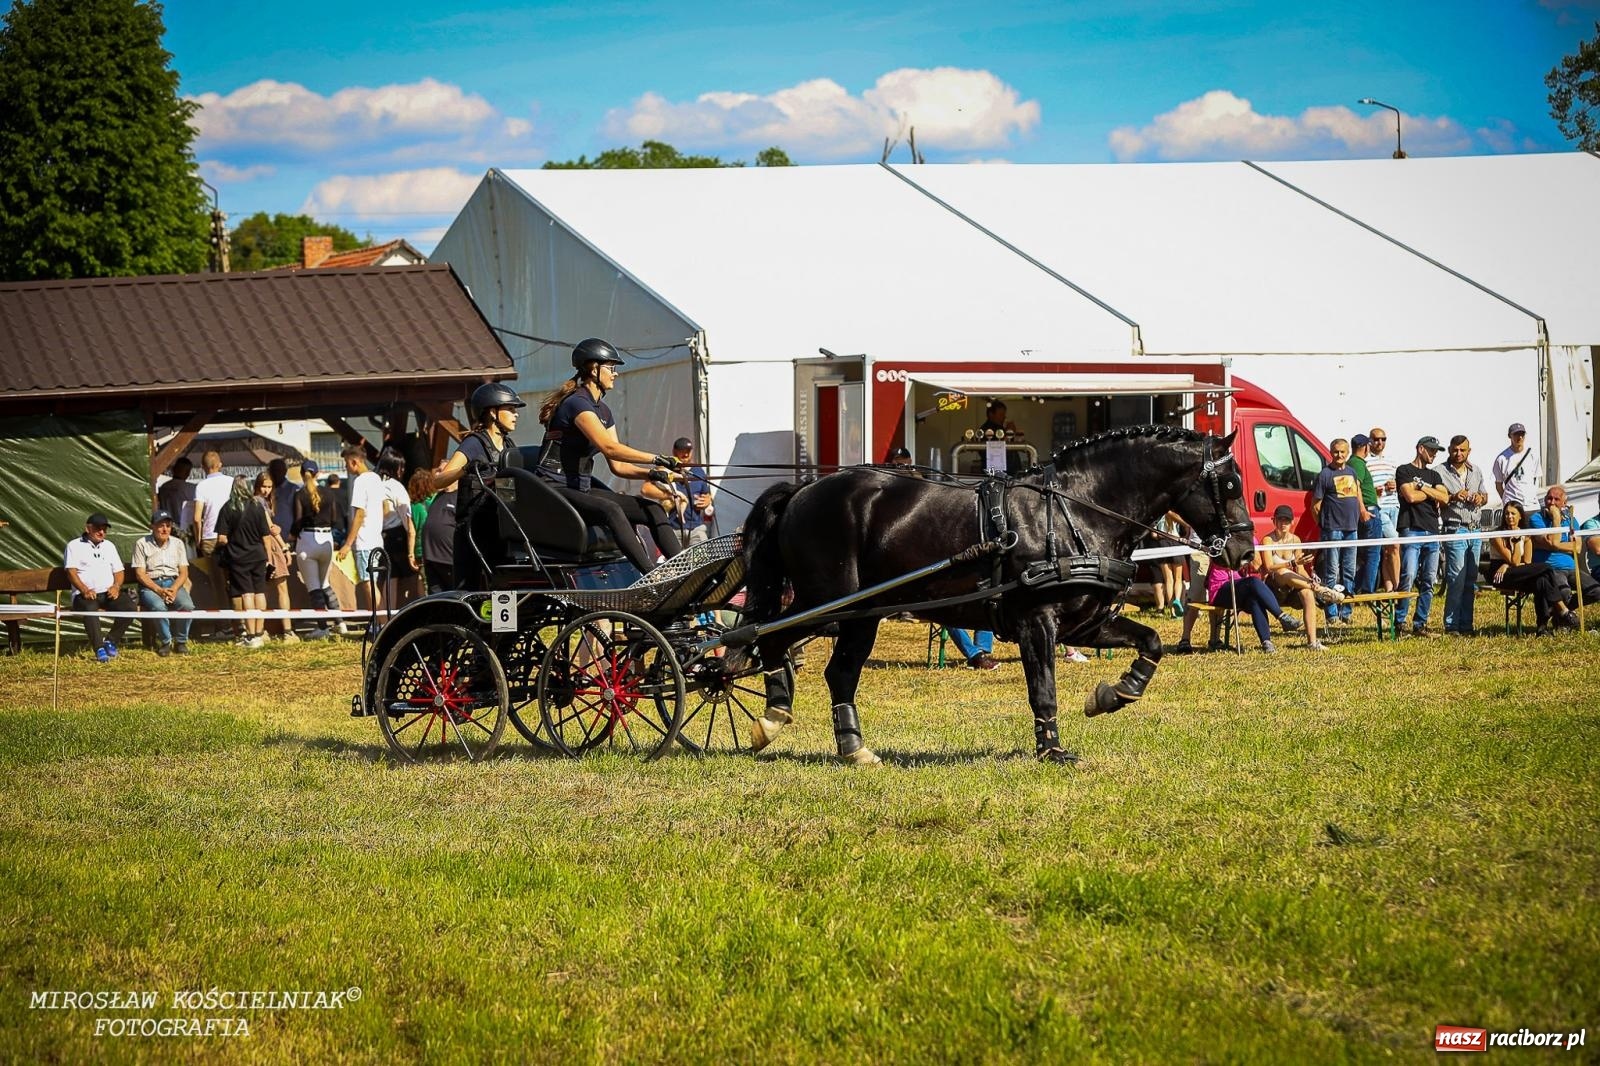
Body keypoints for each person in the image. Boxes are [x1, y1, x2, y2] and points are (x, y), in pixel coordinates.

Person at [527, 339, 685, 575]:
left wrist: (653, 474)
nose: (615, 373)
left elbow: (618, 466)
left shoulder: (603, 411)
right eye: (611, 368)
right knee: (611, 509)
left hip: (580, 489)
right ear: (594, 369)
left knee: (654, 509)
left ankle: (685, 572)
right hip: (554, 489)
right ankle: (652, 576)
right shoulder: (576, 403)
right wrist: (657, 459)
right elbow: (610, 447)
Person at [431, 383, 523, 590]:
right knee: (468, 591)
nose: (516, 414)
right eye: (510, 409)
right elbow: (439, 481)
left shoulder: (509, 446)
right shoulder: (474, 443)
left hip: (501, 529)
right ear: (492, 412)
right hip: (473, 531)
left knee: (504, 590)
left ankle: (502, 615)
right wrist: (466, 469)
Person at [1487, 502, 1581, 633]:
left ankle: (1542, 627)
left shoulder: (1527, 535)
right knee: (1546, 568)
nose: (1509, 517)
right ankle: (1563, 610)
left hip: (1518, 570)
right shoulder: (1497, 535)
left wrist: (1507, 564)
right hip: (1500, 574)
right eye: (1507, 514)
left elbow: (1527, 562)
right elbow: (1515, 561)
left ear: (1520, 516)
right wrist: (1516, 539)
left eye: (1513, 513)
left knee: (1541, 580)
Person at [1258, 504, 1339, 651]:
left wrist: (1310, 581)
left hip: (1292, 588)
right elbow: (1269, 567)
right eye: (1280, 520)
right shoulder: (1268, 540)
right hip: (1273, 589)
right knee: (1282, 571)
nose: (1283, 524)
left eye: (1287, 520)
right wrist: (1292, 563)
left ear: (1292, 522)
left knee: (1307, 593)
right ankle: (1322, 591)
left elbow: (1300, 569)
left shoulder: (1296, 540)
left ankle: (1312, 642)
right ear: (1274, 521)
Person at [1395, 435, 1449, 636]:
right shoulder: (1404, 470)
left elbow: (1444, 498)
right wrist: (1430, 493)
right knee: (1408, 576)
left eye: (1436, 450)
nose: (1434, 454)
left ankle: (1420, 623)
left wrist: (1422, 487)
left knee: (1429, 579)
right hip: (1411, 529)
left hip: (1432, 530)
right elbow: (1409, 496)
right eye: (1431, 450)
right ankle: (1400, 622)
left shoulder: (1434, 475)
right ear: (1420, 449)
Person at [1435, 435, 1489, 636]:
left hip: (1475, 528)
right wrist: (1452, 497)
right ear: (1449, 450)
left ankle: (1467, 625)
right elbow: (1437, 500)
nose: (1458, 453)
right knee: (1456, 579)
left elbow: (1485, 495)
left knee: (1470, 580)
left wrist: (1480, 498)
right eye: (1455, 450)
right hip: (1455, 528)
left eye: (1462, 450)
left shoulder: (1476, 471)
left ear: (1469, 451)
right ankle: (1452, 625)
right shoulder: (1439, 472)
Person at [63, 512, 130, 662]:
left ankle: (111, 641)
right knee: (90, 608)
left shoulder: (109, 546)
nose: (102, 532)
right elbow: (71, 572)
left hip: (107, 593)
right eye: (98, 528)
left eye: (104, 529)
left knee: (129, 606)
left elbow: (119, 571)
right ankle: (99, 648)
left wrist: (116, 586)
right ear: (88, 528)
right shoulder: (73, 546)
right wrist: (84, 590)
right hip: (84, 595)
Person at [1310, 438, 1363, 630]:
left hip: (1351, 530)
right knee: (1332, 572)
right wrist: (1323, 525)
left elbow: (1357, 493)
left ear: (1348, 453)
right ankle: (1331, 614)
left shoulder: (1352, 472)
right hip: (1332, 530)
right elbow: (1315, 505)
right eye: (1335, 452)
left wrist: (1362, 512)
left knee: (1349, 571)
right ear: (1331, 453)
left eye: (1342, 452)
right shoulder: (1325, 474)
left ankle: (1346, 612)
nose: (1339, 455)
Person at [1207, 553, 1302, 654]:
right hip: (1220, 590)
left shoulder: (1247, 546)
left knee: (1254, 600)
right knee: (1253, 581)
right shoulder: (1222, 545)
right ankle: (1282, 616)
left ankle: (1266, 642)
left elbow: (1256, 565)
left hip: (1239, 588)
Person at [216, 475, 270, 648]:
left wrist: (227, 543)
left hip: (239, 557)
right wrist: (268, 557)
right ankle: (260, 633)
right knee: (260, 592)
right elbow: (266, 536)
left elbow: (222, 538)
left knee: (247, 594)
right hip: (258, 555)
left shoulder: (228, 507)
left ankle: (251, 635)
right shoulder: (257, 506)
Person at [131, 509, 194, 655]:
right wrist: (159, 590)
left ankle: (181, 641)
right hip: (150, 585)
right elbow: (140, 574)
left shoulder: (178, 543)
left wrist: (174, 589)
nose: (165, 529)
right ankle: (166, 642)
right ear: (152, 526)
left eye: (168, 525)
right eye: (161, 525)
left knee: (187, 605)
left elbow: (184, 572)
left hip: (172, 582)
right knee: (158, 607)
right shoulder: (141, 543)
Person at [291, 459, 342, 640]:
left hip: (307, 539)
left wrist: (291, 535)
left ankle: (322, 627)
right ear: (318, 474)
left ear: (302, 474)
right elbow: (334, 519)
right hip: (326, 538)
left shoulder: (299, 494)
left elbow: (298, 521)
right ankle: (340, 623)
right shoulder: (329, 493)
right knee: (325, 584)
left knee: (314, 587)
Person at [1526, 485, 1600, 606]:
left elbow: (1577, 548)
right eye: (1549, 498)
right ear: (1544, 500)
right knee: (1564, 593)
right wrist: (1556, 518)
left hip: (1571, 567)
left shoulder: (1571, 520)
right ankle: (1562, 614)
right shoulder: (1537, 518)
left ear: (1564, 503)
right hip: (1551, 568)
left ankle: (1561, 613)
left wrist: (1552, 545)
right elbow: (1552, 541)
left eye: (1556, 499)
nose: (1552, 502)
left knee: (1596, 591)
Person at [335, 445, 385, 615]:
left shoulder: (360, 481)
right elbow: (385, 507)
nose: (346, 467)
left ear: (354, 461)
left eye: (346, 463)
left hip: (364, 541)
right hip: (377, 539)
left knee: (368, 583)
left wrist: (348, 544)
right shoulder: (376, 478)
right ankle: (379, 622)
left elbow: (359, 514)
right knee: (373, 583)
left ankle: (379, 624)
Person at [191, 449, 233, 629]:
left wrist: (198, 539)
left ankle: (224, 625)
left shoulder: (201, 487)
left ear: (202, 467)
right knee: (235, 580)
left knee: (218, 584)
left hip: (209, 537)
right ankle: (241, 623)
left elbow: (196, 518)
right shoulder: (231, 482)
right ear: (220, 464)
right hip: (231, 536)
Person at [263, 458, 300, 643]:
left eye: (279, 470)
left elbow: (297, 514)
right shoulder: (265, 495)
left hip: (286, 541)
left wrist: (291, 538)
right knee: (270, 587)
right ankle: (272, 628)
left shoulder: (293, 489)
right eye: (274, 470)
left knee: (282, 586)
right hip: (270, 542)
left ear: (284, 471)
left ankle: (286, 628)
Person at [377, 451, 418, 607]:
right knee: (413, 576)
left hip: (383, 536)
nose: (403, 470)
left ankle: (388, 614)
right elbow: (406, 514)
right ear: (395, 467)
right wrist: (411, 546)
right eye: (401, 467)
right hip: (399, 535)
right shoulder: (395, 486)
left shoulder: (376, 484)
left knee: (390, 579)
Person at [1364, 427, 1401, 592]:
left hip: (1394, 505)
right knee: (1395, 544)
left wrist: (1395, 485)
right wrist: (1374, 491)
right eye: (1376, 439)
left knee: (1387, 551)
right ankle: (1399, 587)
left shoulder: (1391, 460)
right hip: (1379, 507)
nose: (1380, 442)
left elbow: (1397, 482)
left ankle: (1389, 589)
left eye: (1383, 439)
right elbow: (1364, 487)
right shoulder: (1366, 462)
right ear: (1370, 441)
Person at [1348, 433, 1383, 595]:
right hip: (1369, 511)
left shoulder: (1353, 463)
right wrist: (1363, 510)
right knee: (1373, 554)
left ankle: (1358, 587)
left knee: (1364, 555)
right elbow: (1356, 486)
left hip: (1365, 510)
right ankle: (1367, 590)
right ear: (1365, 447)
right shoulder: (1358, 463)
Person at [421, 475, 457, 594]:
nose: (437, 475)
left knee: (454, 595)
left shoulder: (460, 497)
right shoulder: (439, 496)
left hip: (449, 559)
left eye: (442, 471)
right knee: (436, 597)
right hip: (431, 558)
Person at [1492, 422, 1539, 509]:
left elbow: (1536, 479)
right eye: (1516, 434)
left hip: (1531, 505)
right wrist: (1507, 502)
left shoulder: (1533, 455)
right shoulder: (1502, 459)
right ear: (1510, 436)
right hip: (1513, 505)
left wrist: (1532, 496)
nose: (1520, 437)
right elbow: (1498, 485)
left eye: (1522, 434)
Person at [156, 457, 196, 547]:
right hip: (184, 530)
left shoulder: (163, 487)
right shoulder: (191, 489)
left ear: (174, 469)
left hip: (166, 527)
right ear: (188, 473)